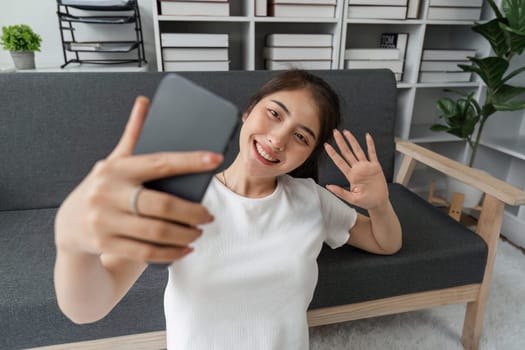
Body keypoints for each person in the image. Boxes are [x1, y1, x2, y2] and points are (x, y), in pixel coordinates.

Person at [54, 69, 402, 349]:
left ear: (309, 154)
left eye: (301, 137)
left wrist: (380, 205)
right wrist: (72, 245)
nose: (278, 138)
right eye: (274, 114)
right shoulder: (180, 195)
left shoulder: (311, 199)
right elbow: (88, 308)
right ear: (249, 111)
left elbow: (386, 242)